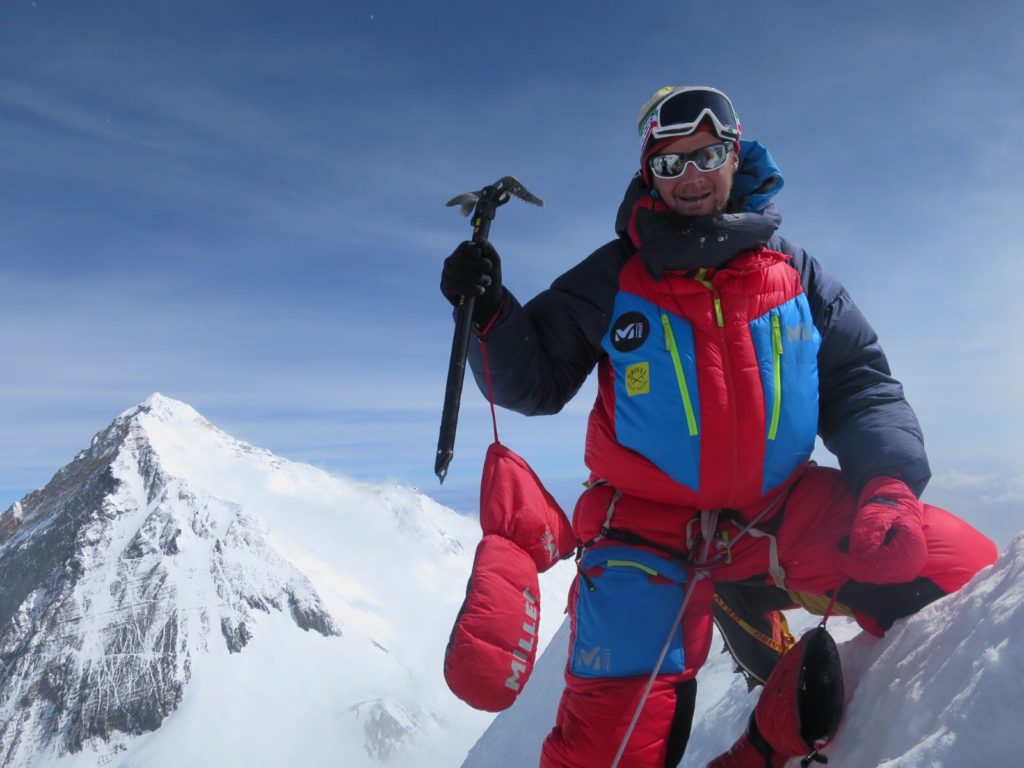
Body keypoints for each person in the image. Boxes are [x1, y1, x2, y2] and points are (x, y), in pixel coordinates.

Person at [439, 85, 997, 768]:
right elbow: (534, 382)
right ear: (649, 176)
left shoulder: (794, 273)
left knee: (965, 578)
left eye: (706, 154)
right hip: (644, 527)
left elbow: (861, 386)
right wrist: (491, 313)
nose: (692, 177)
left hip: (776, 511)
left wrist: (887, 484)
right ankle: (735, 618)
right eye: (670, 165)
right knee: (607, 749)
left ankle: (760, 749)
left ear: (736, 155)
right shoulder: (618, 275)